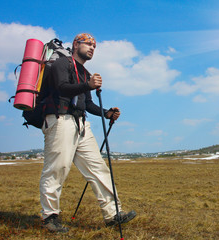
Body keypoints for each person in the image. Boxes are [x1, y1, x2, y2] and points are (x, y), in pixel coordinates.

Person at [39, 33, 136, 233]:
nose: (92, 48)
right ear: (76, 44)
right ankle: (50, 217)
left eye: (94, 46)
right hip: (60, 120)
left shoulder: (85, 72)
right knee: (57, 168)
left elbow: (88, 103)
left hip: (81, 124)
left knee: (98, 168)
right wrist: (88, 84)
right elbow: (62, 88)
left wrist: (106, 113)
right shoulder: (61, 64)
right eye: (88, 44)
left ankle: (112, 214)